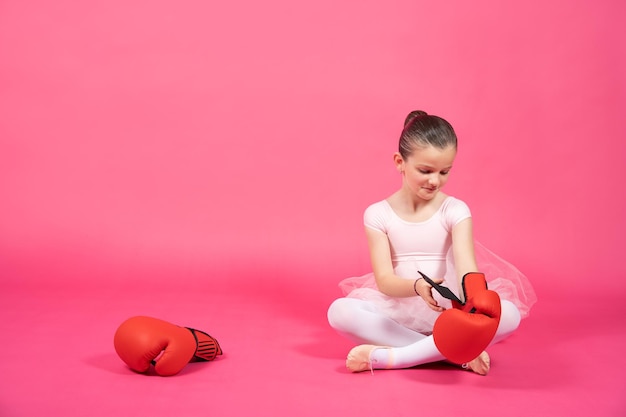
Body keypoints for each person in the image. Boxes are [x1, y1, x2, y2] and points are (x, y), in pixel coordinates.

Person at [326, 110, 537, 375]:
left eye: (445, 171)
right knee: (340, 312)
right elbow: (385, 282)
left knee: (509, 315)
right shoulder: (378, 214)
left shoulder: (455, 209)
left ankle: (396, 357)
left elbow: (467, 269)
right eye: (425, 170)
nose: (435, 181)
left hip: (451, 310)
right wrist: (417, 287)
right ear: (399, 162)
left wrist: (475, 299)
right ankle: (454, 354)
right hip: (397, 307)